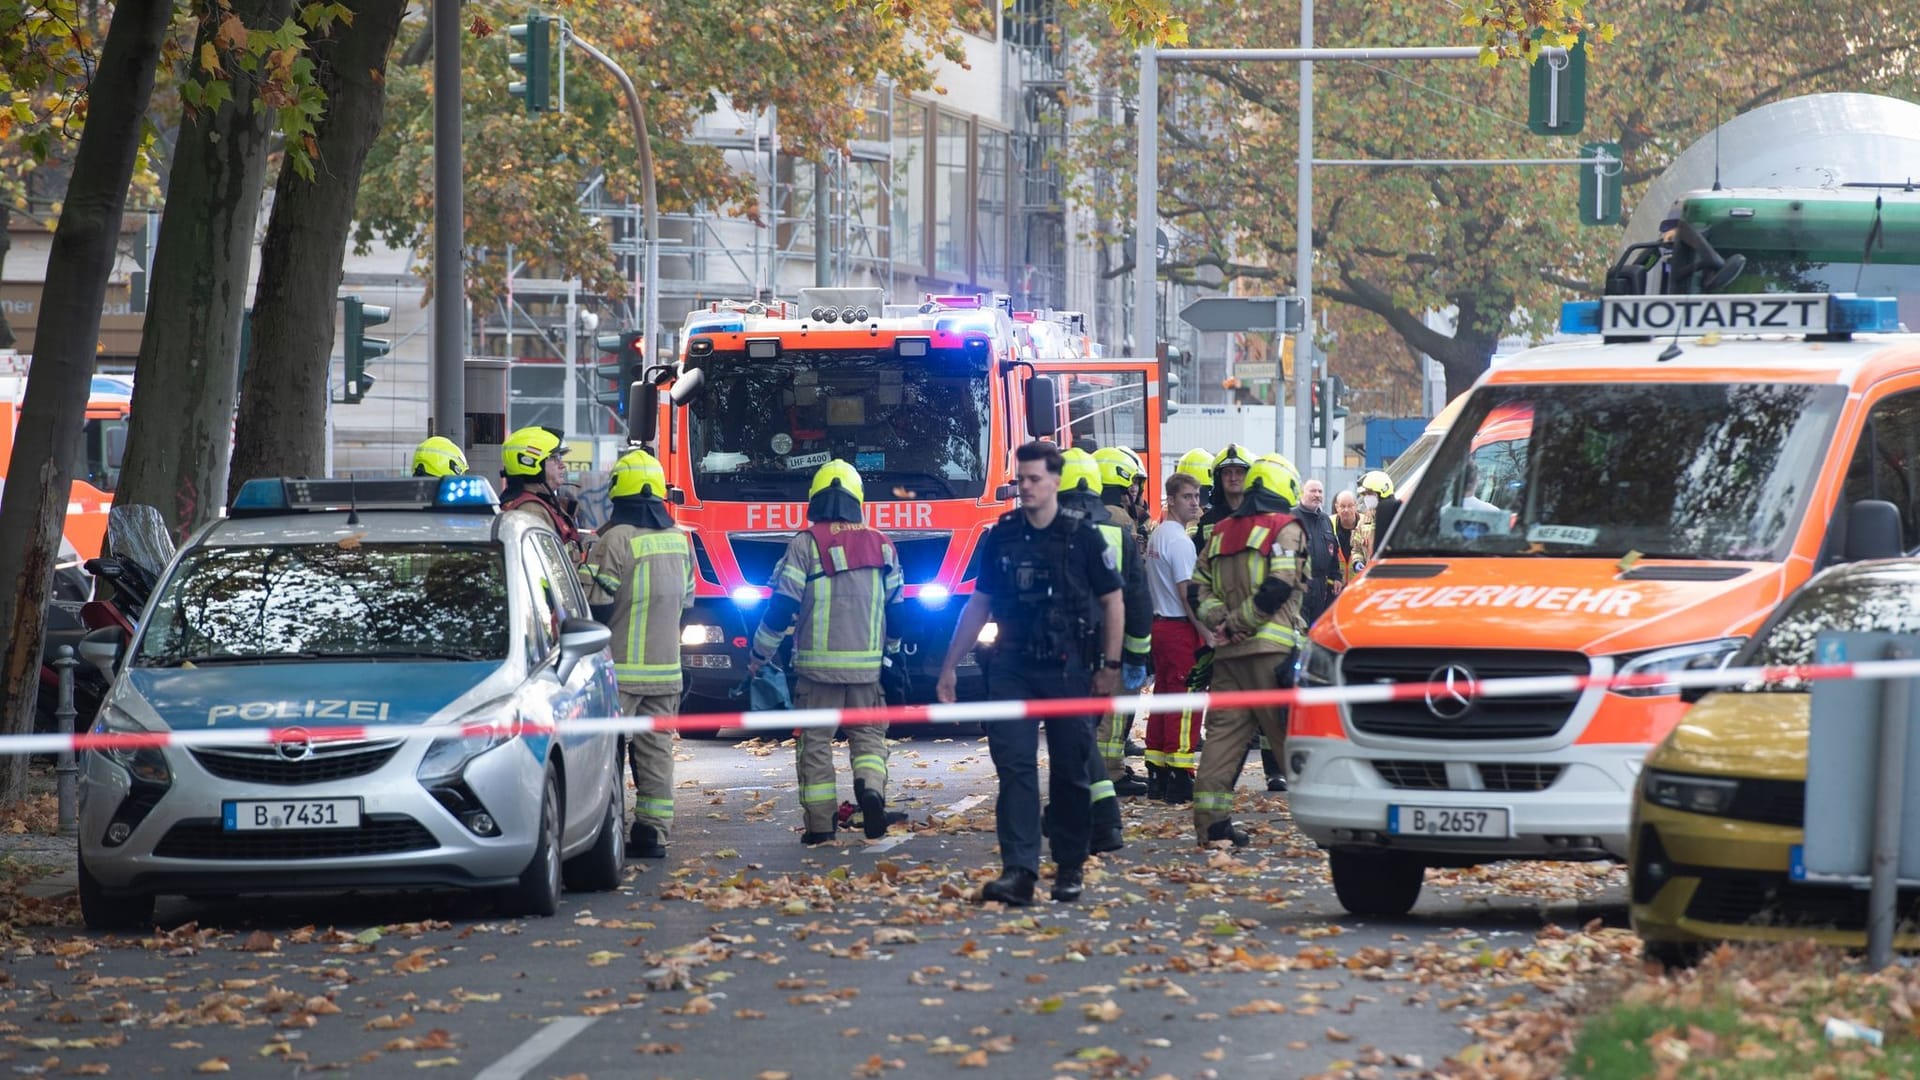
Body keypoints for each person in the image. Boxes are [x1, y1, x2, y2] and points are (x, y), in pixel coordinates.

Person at [937, 441, 1125, 906]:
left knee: (1069, 771)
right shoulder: (1000, 537)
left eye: (1034, 479)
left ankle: (1069, 866)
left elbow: (1113, 601)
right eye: (1020, 479)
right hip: (1012, 666)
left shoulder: (1083, 536)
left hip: (1068, 668)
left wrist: (1112, 665)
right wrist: (948, 667)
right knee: (1015, 768)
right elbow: (978, 604)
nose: (1025, 487)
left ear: (1056, 481)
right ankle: (1018, 870)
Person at [748, 460, 906, 846]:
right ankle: (871, 789)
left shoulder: (805, 544)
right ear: (858, 499)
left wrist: (759, 654)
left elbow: (782, 607)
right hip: (867, 670)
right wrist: (891, 654)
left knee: (815, 743)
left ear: (815, 499)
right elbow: (899, 610)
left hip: (817, 672)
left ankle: (820, 826)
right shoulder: (882, 544)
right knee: (868, 736)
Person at [580, 449, 693, 859]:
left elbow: (596, 607)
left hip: (617, 673)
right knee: (657, 753)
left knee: (606, 754)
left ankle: (600, 831)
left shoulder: (615, 539)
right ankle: (653, 833)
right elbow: (688, 604)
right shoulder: (680, 540)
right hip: (666, 672)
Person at [1190, 458, 1307, 848]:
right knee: (1295, 740)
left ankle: (1212, 825)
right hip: (1272, 656)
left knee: (1222, 739)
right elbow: (1280, 585)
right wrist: (1240, 622)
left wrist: (1220, 621)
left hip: (1229, 659)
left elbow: (1197, 588)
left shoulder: (1221, 531)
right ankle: (1330, 827)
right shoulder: (1285, 528)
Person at [1061, 450, 1151, 848]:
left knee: (1076, 731)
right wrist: (1135, 654)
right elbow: (1135, 595)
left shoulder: (1043, 524)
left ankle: (1092, 812)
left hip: (1061, 649)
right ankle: (1100, 811)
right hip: (1106, 643)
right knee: (1089, 729)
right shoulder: (1119, 527)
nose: (1136, 491)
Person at [1145, 470, 1211, 804]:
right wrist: (1206, 634)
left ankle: (1156, 770)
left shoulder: (1159, 535)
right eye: (1188, 497)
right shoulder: (1180, 541)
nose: (1195, 503)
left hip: (1160, 626)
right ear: (1171, 500)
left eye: (1197, 497)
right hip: (1180, 628)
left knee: (1165, 698)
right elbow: (1188, 595)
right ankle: (1180, 777)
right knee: (1186, 703)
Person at [501, 426, 585, 557]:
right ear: (529, 462)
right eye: (554, 458)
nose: (562, 465)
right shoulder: (531, 511)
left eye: (560, 458)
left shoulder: (541, 504)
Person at [1294, 478, 1342, 626]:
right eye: (1313, 491)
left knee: (1317, 629)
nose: (1317, 495)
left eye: (1320, 491)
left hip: (1321, 587)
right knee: (1300, 628)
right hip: (1299, 585)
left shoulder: (1325, 520)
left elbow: (1333, 552)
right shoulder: (1291, 518)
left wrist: (1336, 577)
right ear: (1303, 493)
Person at [1094, 445, 1150, 546]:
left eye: (1137, 483)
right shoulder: (1120, 517)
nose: (1133, 489)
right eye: (1130, 482)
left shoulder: (1142, 517)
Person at [1354, 470, 1394, 569]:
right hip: (1371, 576)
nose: (1366, 497)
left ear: (1382, 492)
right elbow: (1356, 549)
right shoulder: (1364, 521)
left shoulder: (1396, 517)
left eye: (1369, 493)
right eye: (1364, 494)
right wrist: (1357, 561)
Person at [1334, 489, 1366, 580]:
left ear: (1356, 506)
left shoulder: (1366, 524)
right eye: (1342, 506)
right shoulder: (1328, 523)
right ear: (1337, 507)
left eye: (1350, 506)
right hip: (1335, 584)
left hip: (1359, 583)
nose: (1346, 510)